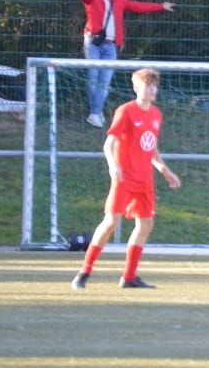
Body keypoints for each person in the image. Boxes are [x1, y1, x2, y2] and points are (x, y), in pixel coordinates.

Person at [71, 68, 181, 290]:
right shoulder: (126, 111)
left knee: (146, 224)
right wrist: (113, 166)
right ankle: (84, 271)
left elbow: (150, 146)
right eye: (147, 85)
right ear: (136, 87)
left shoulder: (156, 114)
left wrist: (164, 169)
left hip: (145, 180)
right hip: (125, 178)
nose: (152, 89)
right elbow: (109, 144)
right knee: (111, 222)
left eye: (154, 85)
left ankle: (129, 277)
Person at [77, 0, 175, 128]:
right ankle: (96, 112)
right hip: (93, 42)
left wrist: (161, 6)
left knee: (105, 80)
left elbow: (138, 6)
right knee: (93, 77)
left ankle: (95, 113)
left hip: (110, 45)